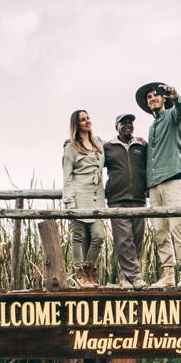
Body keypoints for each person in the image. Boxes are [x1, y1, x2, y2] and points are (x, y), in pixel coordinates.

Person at [134, 81, 181, 288]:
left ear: (164, 98)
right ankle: (168, 274)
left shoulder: (172, 116)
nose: (152, 99)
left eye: (155, 95)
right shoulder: (152, 127)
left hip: (173, 178)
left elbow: (180, 110)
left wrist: (176, 97)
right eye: (149, 97)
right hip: (154, 184)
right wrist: (145, 146)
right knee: (160, 230)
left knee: (178, 225)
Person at [104, 113, 148, 289]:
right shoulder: (108, 147)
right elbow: (91, 155)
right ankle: (136, 277)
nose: (128, 125)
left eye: (130, 123)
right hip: (117, 199)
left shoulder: (141, 147)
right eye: (124, 123)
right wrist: (71, 144)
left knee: (136, 241)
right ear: (117, 127)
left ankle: (125, 278)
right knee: (124, 240)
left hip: (139, 199)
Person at [62, 109, 106, 288]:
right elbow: (67, 177)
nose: (87, 121)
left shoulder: (98, 143)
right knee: (78, 236)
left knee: (99, 236)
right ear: (76, 124)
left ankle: (89, 270)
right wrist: (69, 202)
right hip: (79, 196)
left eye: (88, 118)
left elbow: (114, 147)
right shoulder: (71, 148)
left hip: (97, 198)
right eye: (82, 120)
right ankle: (81, 275)